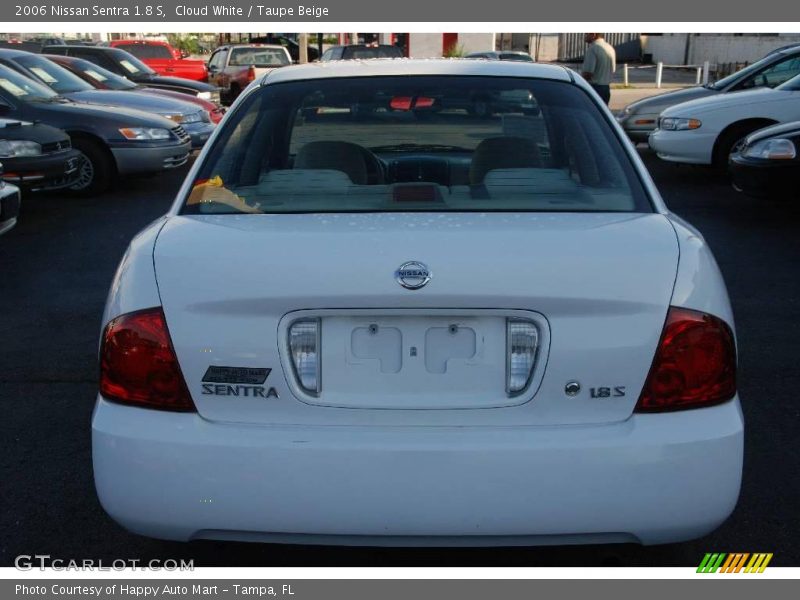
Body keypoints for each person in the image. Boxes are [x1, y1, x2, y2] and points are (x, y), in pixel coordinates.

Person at [581, 33, 616, 105]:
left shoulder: (593, 48)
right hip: (606, 89)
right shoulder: (610, 48)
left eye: (586, 34)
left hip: (595, 88)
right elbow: (613, 69)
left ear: (593, 34)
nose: (584, 36)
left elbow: (588, 73)